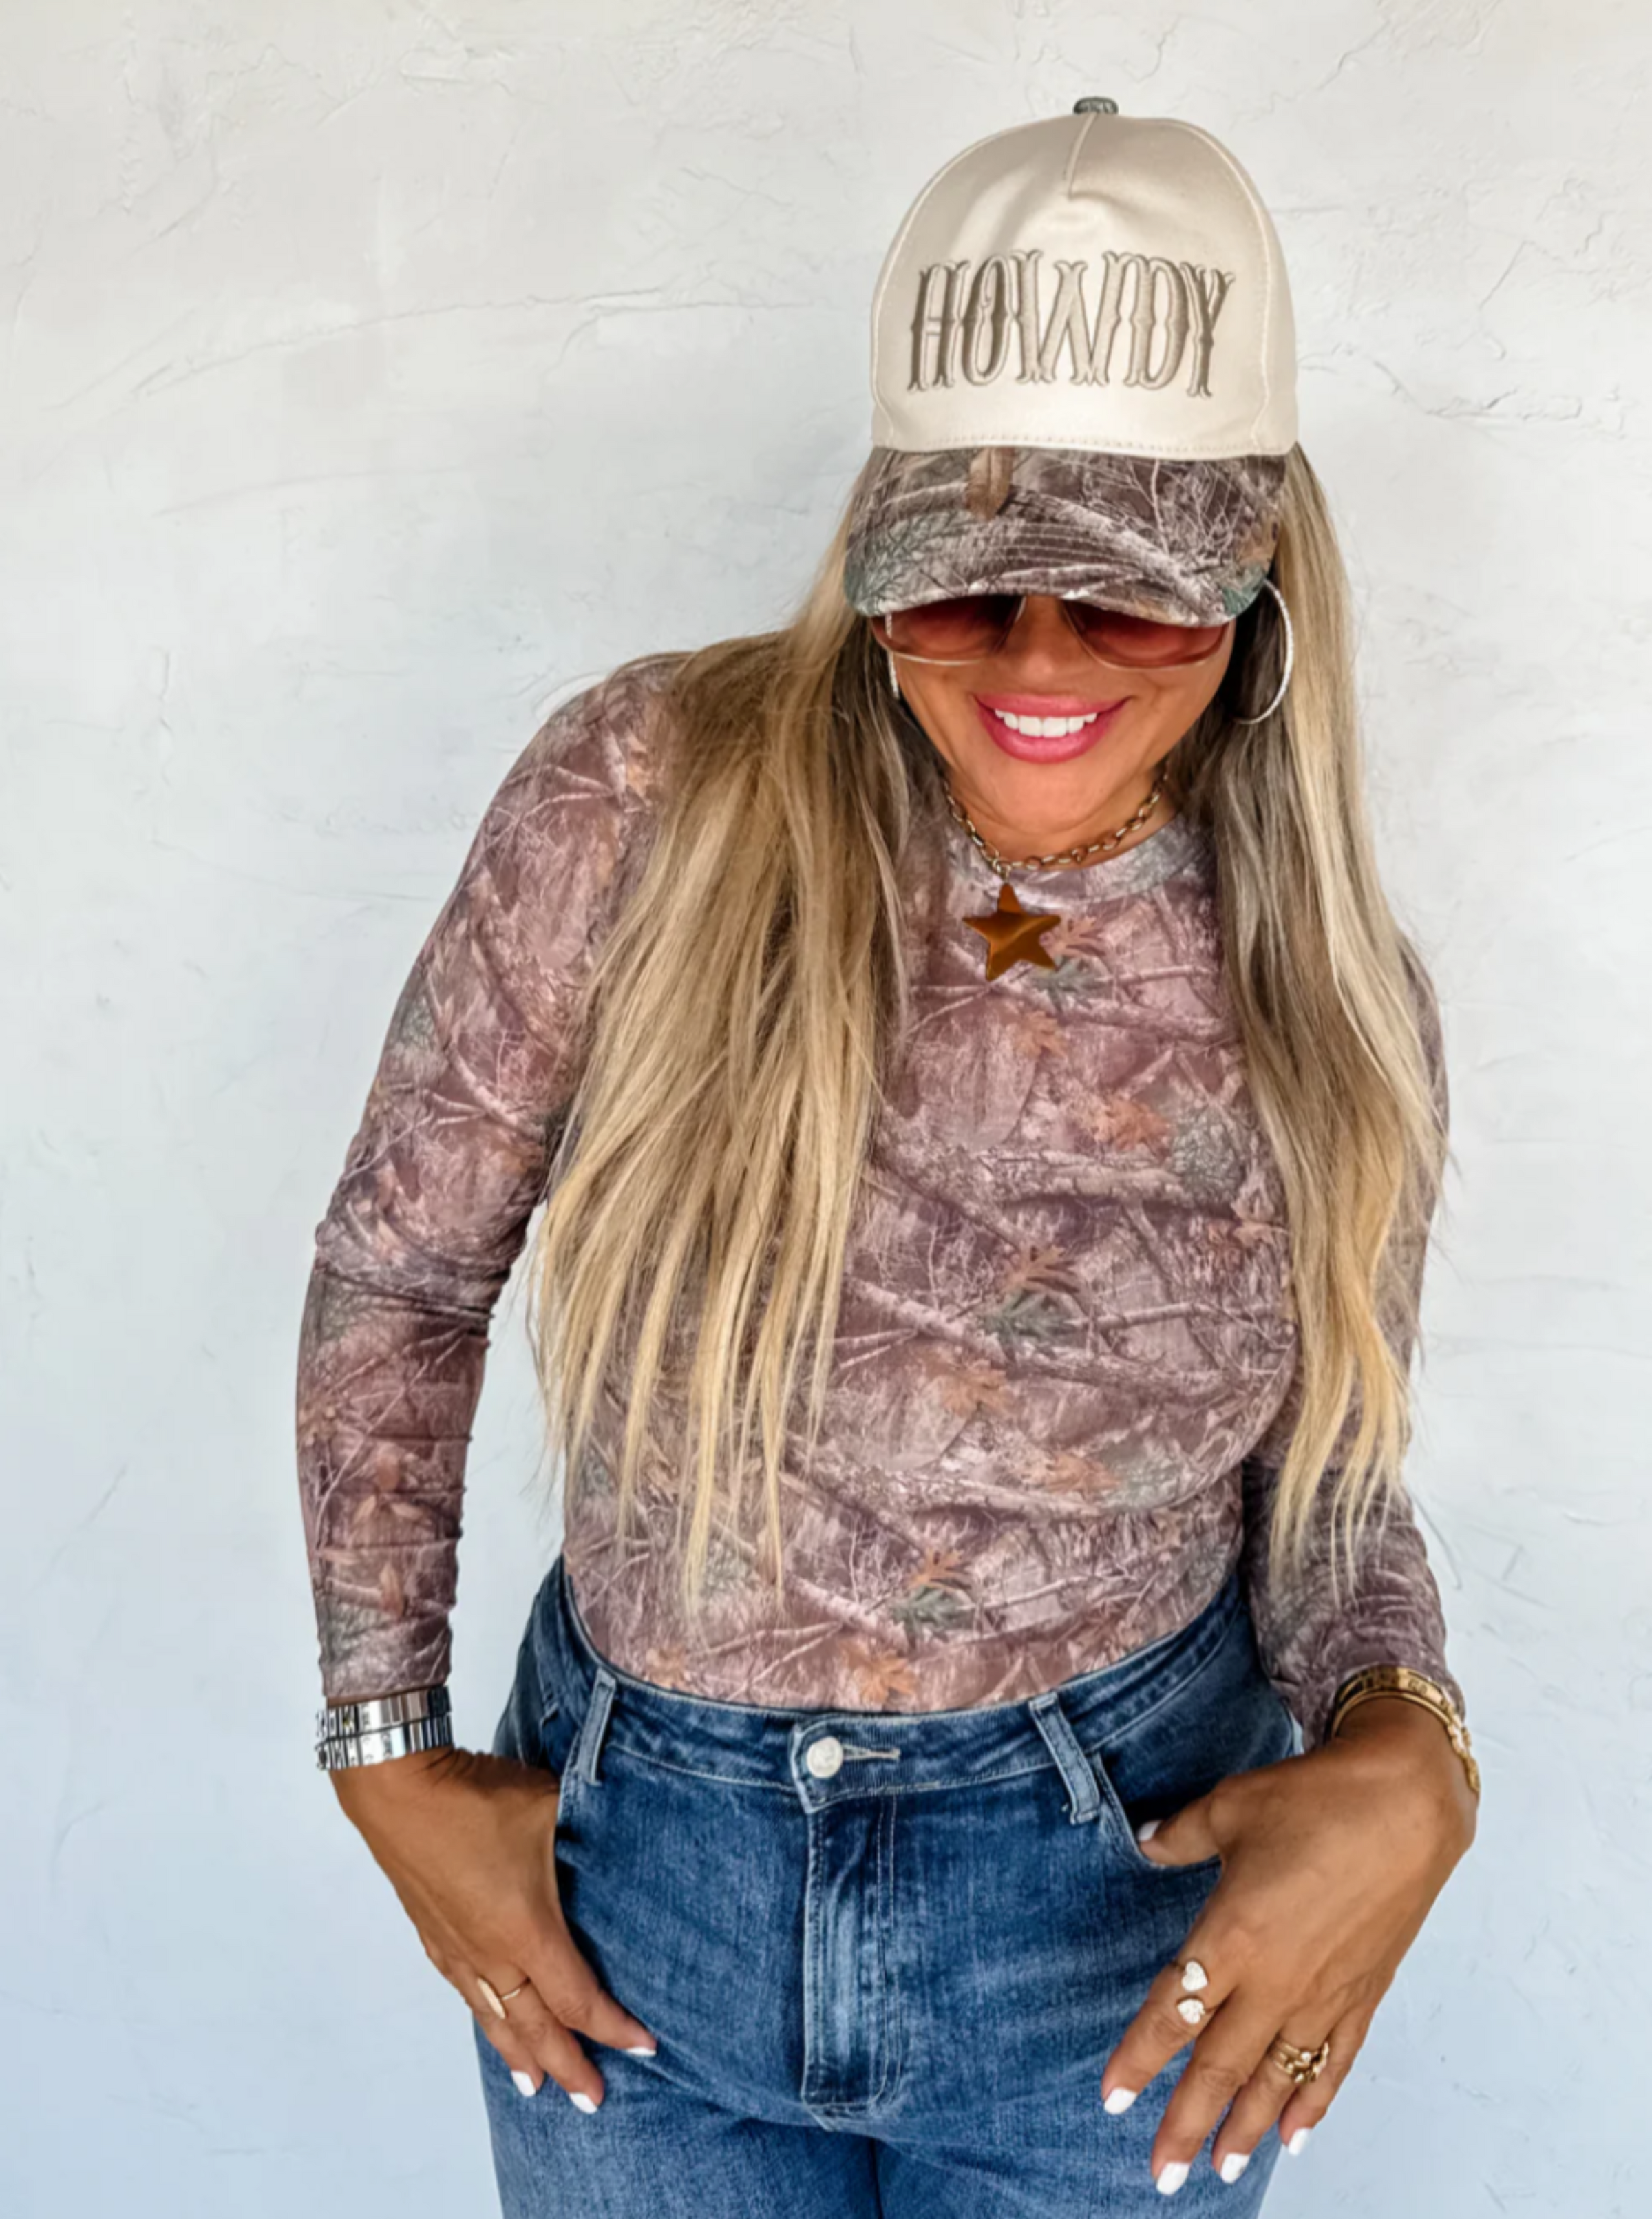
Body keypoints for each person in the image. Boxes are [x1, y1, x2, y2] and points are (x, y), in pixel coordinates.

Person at [295, 98, 1480, 2216]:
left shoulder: (1334, 995)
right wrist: (382, 1742)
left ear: (1260, 572)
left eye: (1134, 602)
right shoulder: (648, 798)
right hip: (636, 1909)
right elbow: (405, 1266)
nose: (1040, 662)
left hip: (1116, 1932)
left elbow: (1321, 1483)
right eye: (960, 587)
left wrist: (1411, 1735)